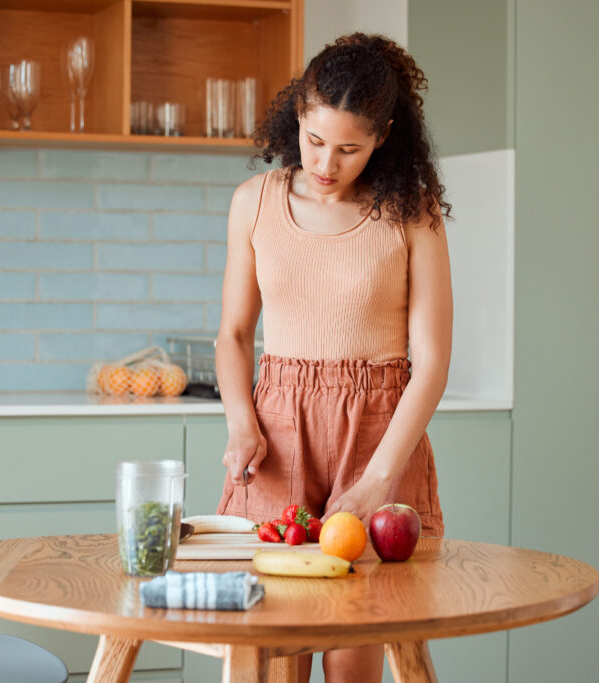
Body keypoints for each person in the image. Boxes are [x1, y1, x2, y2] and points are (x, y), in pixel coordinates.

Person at [214, 33, 453, 683]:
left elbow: (430, 361)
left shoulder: (412, 212)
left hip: (378, 433)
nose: (326, 163)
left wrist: (379, 478)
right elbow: (235, 335)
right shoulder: (254, 203)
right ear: (297, 116)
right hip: (277, 434)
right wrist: (243, 422)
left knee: (355, 657)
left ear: (384, 137)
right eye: (315, 140)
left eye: (349, 148)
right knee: (267, 658)